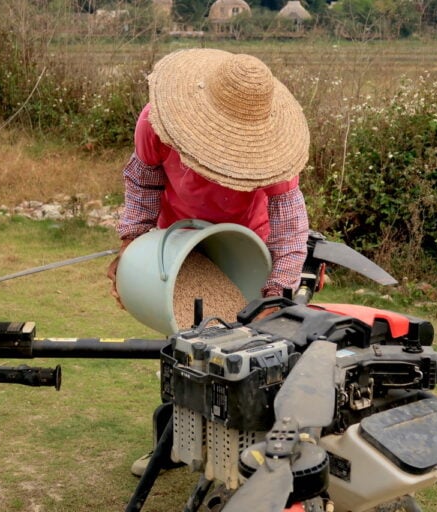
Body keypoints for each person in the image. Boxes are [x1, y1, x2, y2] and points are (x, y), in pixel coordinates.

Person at [106, 48, 311, 477]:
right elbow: (143, 182)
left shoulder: (270, 146)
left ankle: (249, 454)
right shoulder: (158, 121)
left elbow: (290, 223)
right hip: (180, 245)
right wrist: (131, 249)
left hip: (244, 249)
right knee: (182, 351)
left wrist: (277, 290)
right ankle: (173, 444)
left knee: (247, 354)